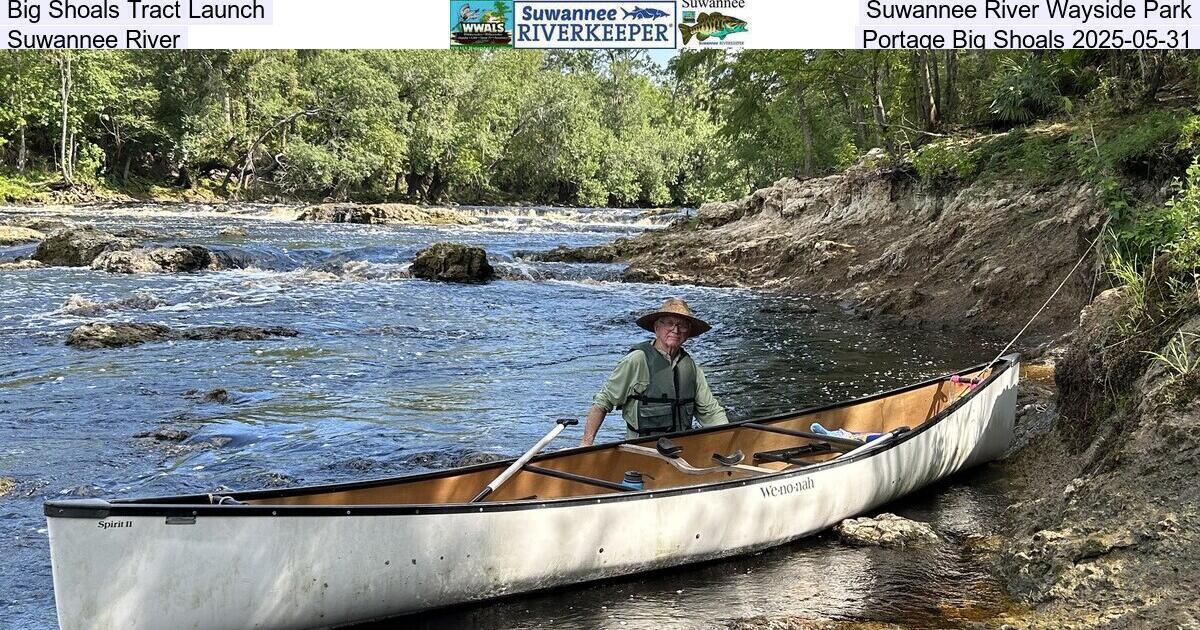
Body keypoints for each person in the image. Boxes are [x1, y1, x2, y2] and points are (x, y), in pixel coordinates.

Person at [580, 298, 728, 446]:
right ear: (657, 328)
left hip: (681, 451)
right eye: (669, 323)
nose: (675, 330)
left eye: (682, 326)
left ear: (688, 332)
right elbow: (603, 402)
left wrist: (729, 439)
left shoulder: (690, 367)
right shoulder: (637, 360)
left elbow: (711, 412)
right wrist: (586, 444)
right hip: (642, 451)